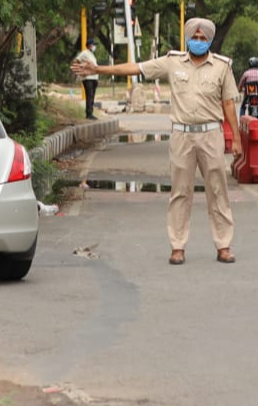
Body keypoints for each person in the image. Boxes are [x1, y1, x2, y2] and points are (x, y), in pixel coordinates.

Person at [71, 18, 242, 265]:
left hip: (211, 134)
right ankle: (178, 246)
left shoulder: (222, 67)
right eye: (194, 37)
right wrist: (98, 70)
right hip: (182, 135)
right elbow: (136, 68)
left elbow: (228, 104)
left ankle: (224, 245)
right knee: (180, 193)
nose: (198, 41)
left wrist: (236, 139)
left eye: (203, 38)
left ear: (210, 41)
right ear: (187, 39)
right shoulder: (172, 62)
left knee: (218, 190)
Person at [74, 38, 100, 120]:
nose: (94, 46)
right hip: (88, 78)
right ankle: (89, 113)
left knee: (92, 96)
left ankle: (91, 112)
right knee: (89, 95)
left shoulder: (91, 54)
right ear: (89, 45)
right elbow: (76, 61)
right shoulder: (84, 53)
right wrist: (82, 68)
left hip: (94, 78)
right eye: (93, 45)